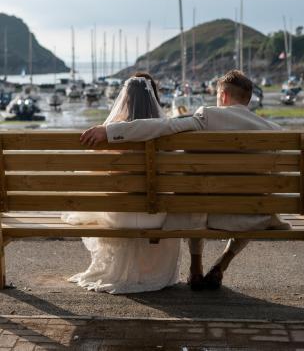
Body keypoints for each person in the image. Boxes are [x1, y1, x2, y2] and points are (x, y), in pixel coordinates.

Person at [80, 69, 290, 291]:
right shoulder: (272, 130)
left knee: (194, 192)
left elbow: (163, 126)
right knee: (258, 203)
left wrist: (110, 131)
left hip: (202, 214)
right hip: (249, 216)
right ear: (247, 99)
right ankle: (222, 263)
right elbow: (275, 182)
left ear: (224, 96)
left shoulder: (207, 117)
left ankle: (196, 267)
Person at [62, 74, 181, 294]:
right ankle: (149, 271)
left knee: (99, 205)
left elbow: (91, 176)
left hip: (121, 215)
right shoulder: (167, 131)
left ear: (124, 98)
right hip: (156, 216)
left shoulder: (109, 133)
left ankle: (122, 269)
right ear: (153, 96)